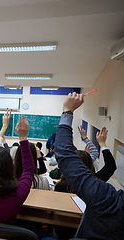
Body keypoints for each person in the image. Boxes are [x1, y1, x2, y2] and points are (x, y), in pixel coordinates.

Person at [54, 92, 124, 239]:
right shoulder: (96, 180)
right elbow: (110, 166)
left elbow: (65, 154)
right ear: (89, 164)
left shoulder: (106, 198)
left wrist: (68, 111)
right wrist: (100, 143)